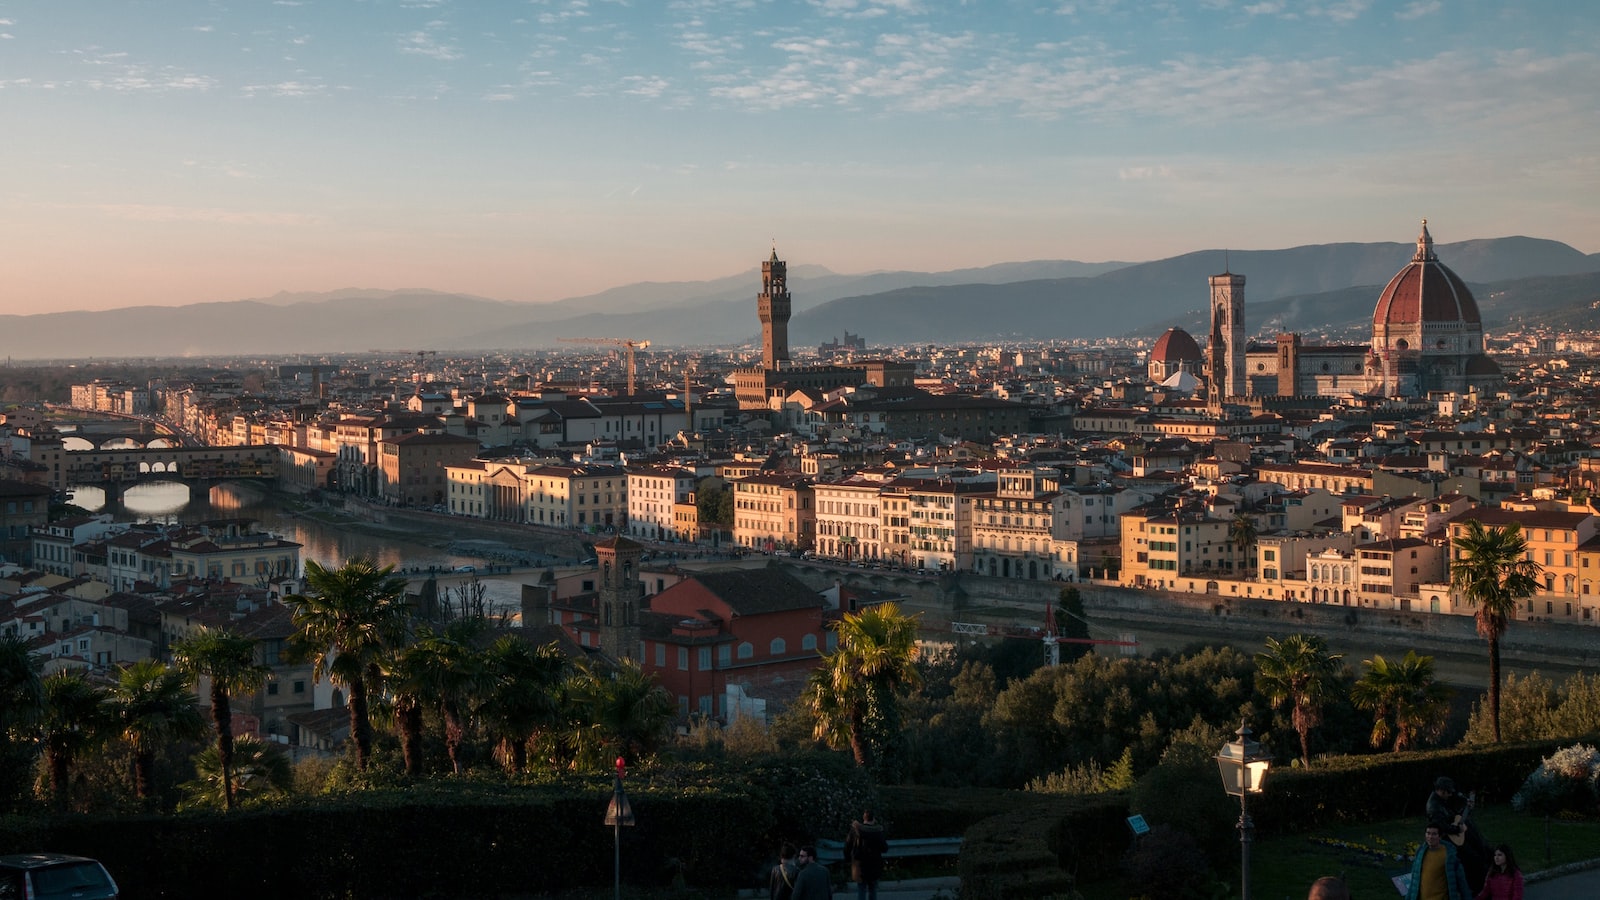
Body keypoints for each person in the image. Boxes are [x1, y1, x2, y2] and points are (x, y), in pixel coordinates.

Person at [1427, 776, 1489, 890]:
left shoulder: (1442, 800)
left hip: (1456, 836)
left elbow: (1454, 817)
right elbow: (1442, 827)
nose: (1450, 795)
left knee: (1482, 850)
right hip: (1449, 840)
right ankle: (1476, 888)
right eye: (1448, 792)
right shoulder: (1434, 807)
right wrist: (1458, 830)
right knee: (1473, 859)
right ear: (1441, 791)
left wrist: (1467, 809)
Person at [1405, 824, 1472, 900]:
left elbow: (1462, 883)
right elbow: (1414, 880)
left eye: (1434, 834)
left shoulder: (1450, 855)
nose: (1430, 837)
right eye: (1428, 833)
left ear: (1440, 836)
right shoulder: (1421, 852)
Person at [844, 809, 889, 900]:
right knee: (873, 890)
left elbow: (847, 846)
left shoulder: (855, 831)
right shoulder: (878, 831)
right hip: (874, 865)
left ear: (863, 818)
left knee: (861, 889)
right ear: (873, 819)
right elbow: (885, 848)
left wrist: (848, 859)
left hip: (859, 865)